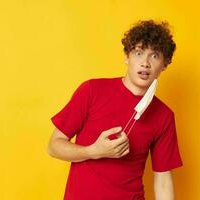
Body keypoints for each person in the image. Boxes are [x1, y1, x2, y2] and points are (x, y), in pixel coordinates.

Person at [48, 19, 183, 200]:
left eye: (155, 56)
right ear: (127, 57)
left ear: (164, 64)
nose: (145, 63)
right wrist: (94, 151)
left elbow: (163, 178)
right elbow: (54, 146)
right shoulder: (92, 91)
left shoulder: (164, 115)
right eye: (138, 53)